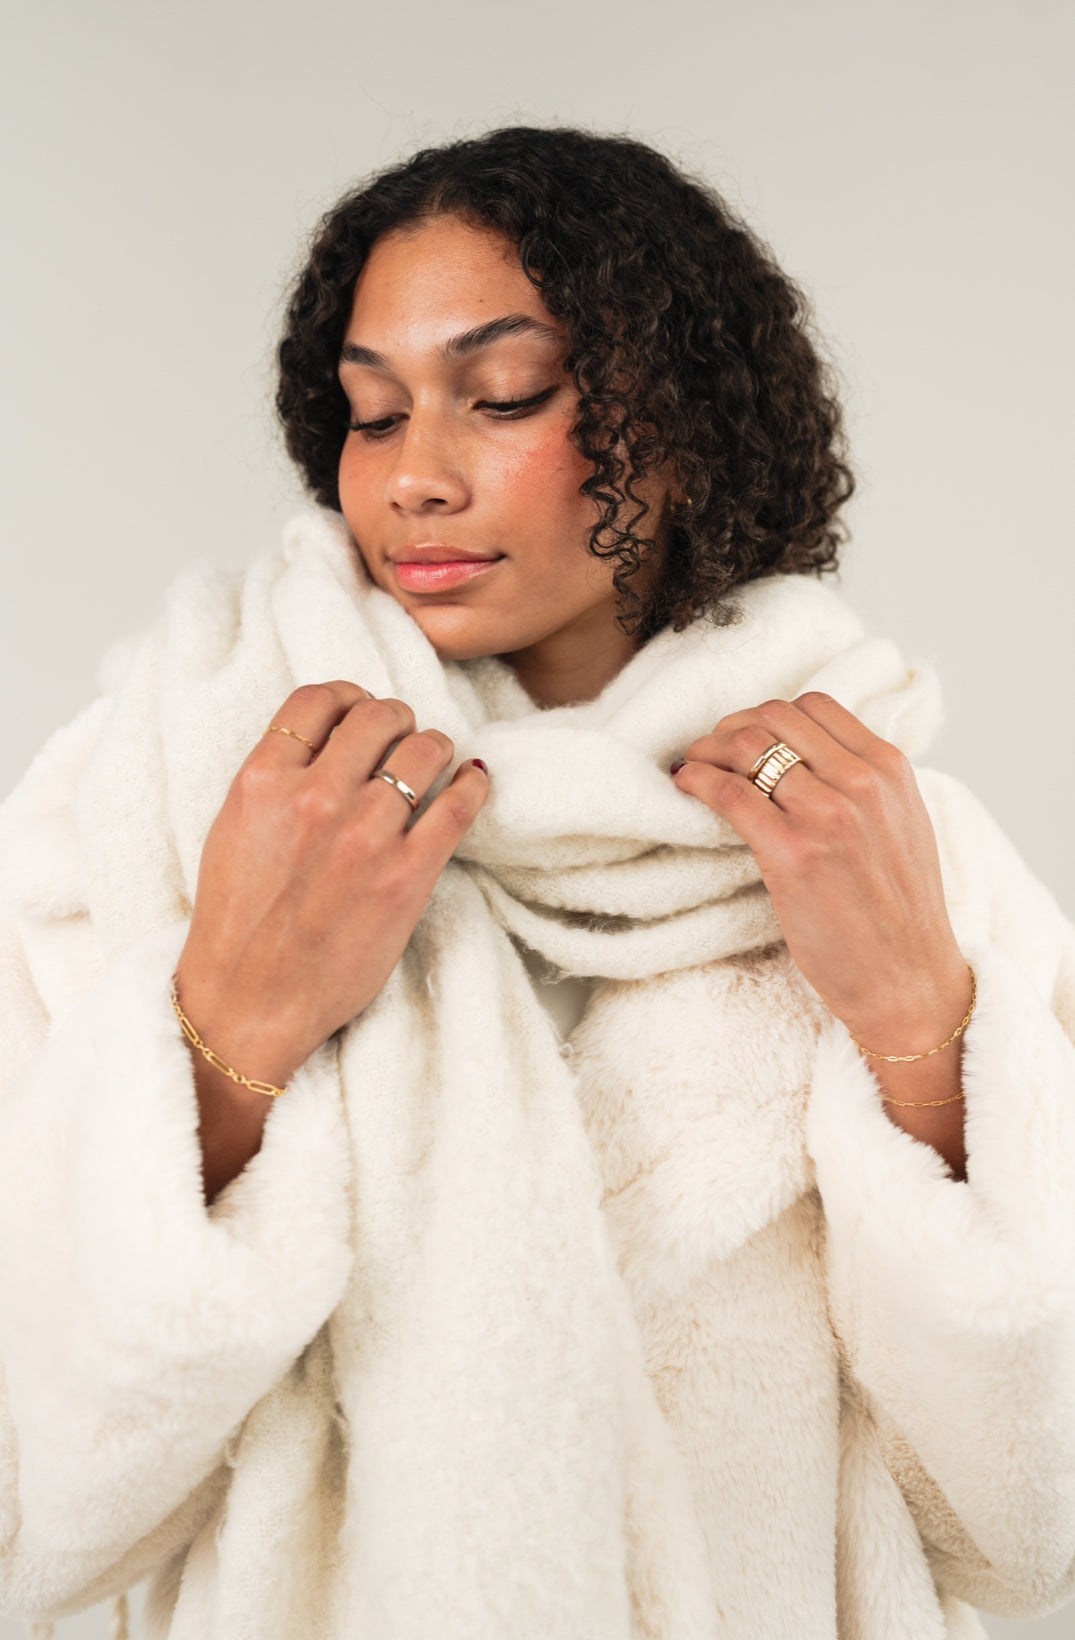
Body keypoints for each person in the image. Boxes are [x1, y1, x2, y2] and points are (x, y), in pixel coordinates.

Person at [0, 126, 1072, 1640]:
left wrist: (915, 1023)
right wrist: (231, 1024)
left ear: (679, 424)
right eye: (373, 414)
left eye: (502, 396)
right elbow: (34, 1511)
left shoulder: (893, 846)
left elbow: (1031, 1530)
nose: (414, 477)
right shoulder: (169, 806)